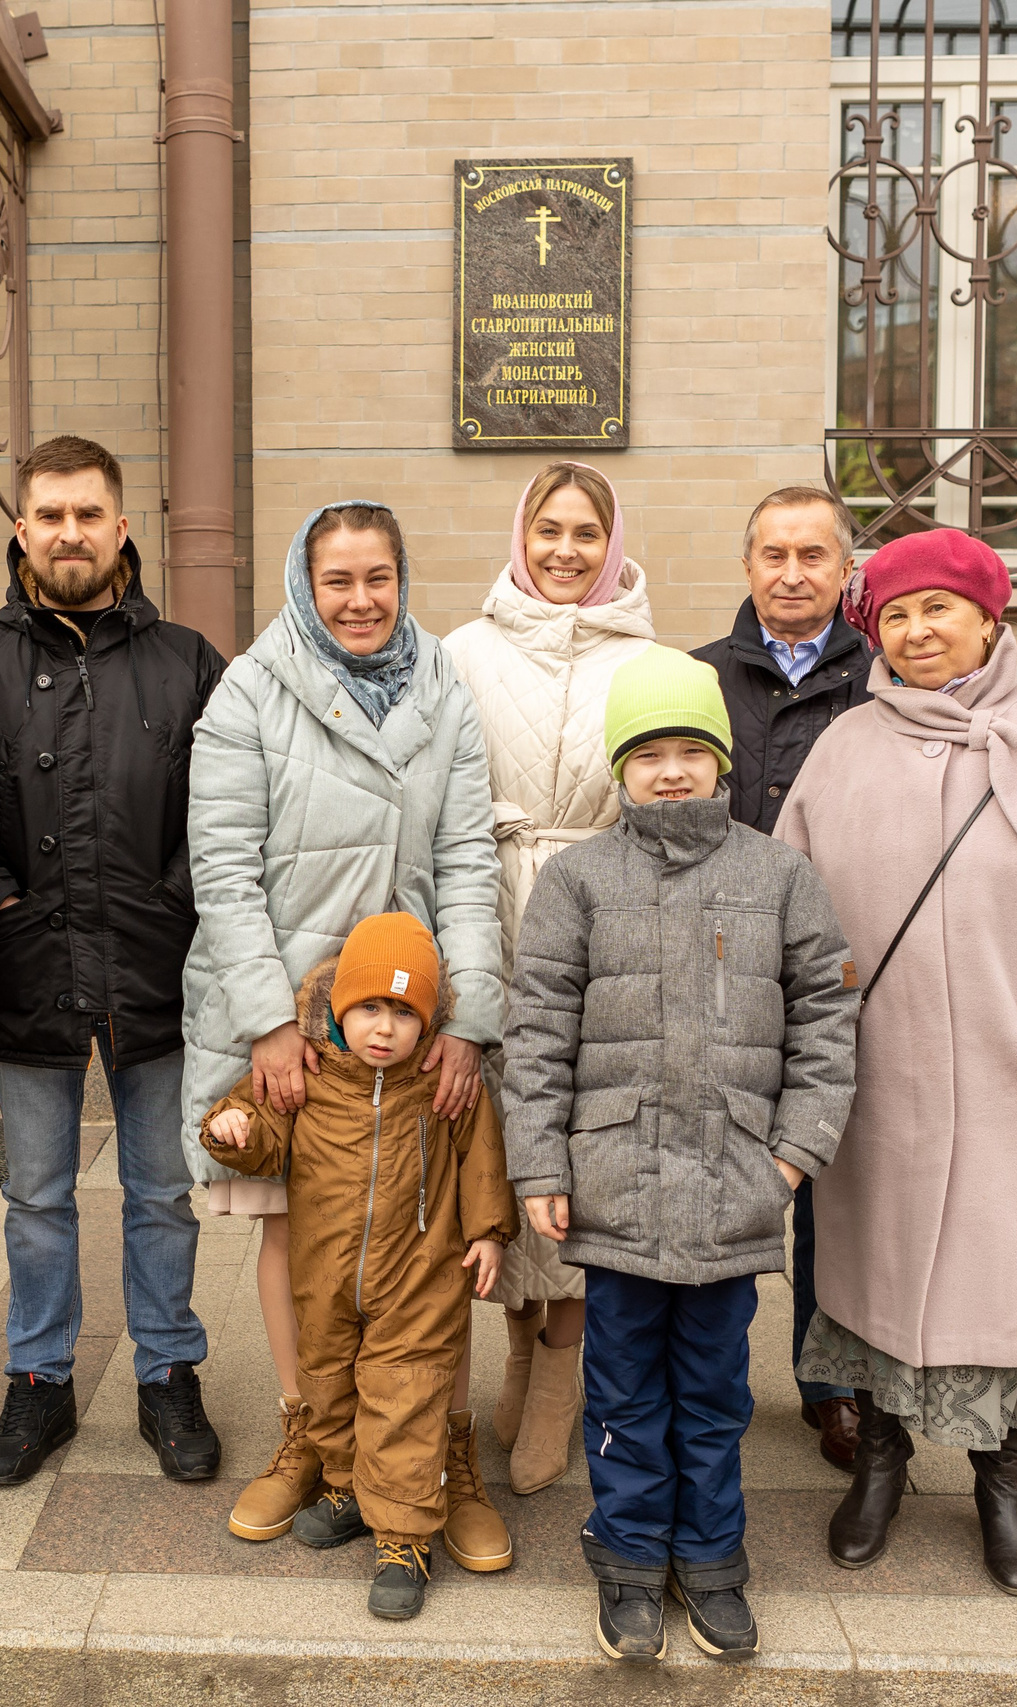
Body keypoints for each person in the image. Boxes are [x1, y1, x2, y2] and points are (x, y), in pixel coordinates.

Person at [776, 527, 1017, 1597]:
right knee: (878, 1271)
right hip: (879, 1080)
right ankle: (882, 1468)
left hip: (1011, 1076)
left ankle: (1002, 1480)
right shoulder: (842, 750)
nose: (916, 633)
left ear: (990, 621)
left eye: (937, 610)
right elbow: (795, 906)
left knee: (1006, 1283)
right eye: (895, 616)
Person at [501, 645, 858, 1664]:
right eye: (647, 753)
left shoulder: (779, 876)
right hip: (611, 1193)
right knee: (621, 1389)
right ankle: (624, 1554)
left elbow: (826, 1025)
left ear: (720, 765)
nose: (668, 772)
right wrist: (541, 1168)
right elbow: (537, 1039)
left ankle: (709, 1555)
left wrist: (789, 1157)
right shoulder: (576, 881)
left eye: (688, 752)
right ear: (620, 770)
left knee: (711, 1391)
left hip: (733, 1192)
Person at [179, 499, 511, 1572]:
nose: (360, 601)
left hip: (408, 1024)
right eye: (339, 581)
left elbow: (467, 863)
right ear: (303, 585)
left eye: (378, 578)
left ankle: (443, 1452)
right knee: (297, 1230)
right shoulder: (250, 688)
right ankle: (311, 1440)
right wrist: (269, 1021)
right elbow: (223, 869)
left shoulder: (443, 689)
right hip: (295, 1022)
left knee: (425, 1238)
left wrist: (468, 1023)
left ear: (402, 581)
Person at [0, 436, 226, 1486]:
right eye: (49, 515)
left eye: (88, 514)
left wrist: (174, 904)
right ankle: (39, 1383)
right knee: (37, 1195)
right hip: (29, 959)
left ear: (121, 526)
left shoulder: (186, 660)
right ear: (21, 531)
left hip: (156, 966)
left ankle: (167, 1375)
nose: (68, 534)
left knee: (161, 1192)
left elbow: (231, 810)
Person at [199, 913, 519, 1621]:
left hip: (419, 1276)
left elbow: (483, 1156)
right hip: (326, 1274)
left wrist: (491, 1233)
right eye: (371, 1007)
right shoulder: (313, 1072)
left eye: (405, 1012)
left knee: (404, 1391)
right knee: (329, 1385)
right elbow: (262, 1126)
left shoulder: (441, 1081)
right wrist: (234, 1128)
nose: (385, 1028)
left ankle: (403, 1537)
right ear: (341, 1007)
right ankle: (347, 1486)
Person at [440, 460, 652, 1494]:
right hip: (487, 915)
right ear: (518, 536)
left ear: (611, 546)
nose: (564, 552)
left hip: (598, 924)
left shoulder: (644, 659)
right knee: (494, 1140)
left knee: (579, 1150)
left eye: (585, 534)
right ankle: (517, 1346)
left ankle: (561, 1371)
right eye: (547, 530)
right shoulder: (461, 652)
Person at [690, 486, 875, 1469]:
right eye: (774, 554)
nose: (792, 573)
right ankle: (702, 1378)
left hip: (834, 975)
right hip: (716, 972)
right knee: (718, 1174)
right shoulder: (695, 677)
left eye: (813, 555)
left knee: (828, 1184)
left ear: (845, 570)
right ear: (749, 565)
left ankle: (832, 1383)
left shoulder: (881, 687)